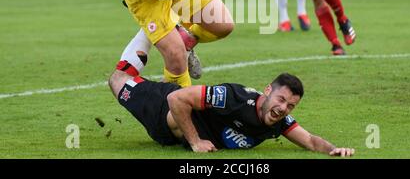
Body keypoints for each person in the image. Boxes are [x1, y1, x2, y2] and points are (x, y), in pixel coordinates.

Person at [108, 69, 355, 156]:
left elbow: (311, 140)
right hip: (160, 109)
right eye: (280, 99)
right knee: (117, 80)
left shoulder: (278, 121)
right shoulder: (235, 98)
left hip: (171, 137)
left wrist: (333, 149)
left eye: (290, 106)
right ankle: (150, 30)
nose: (282, 109)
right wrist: (195, 142)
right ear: (267, 91)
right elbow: (176, 98)